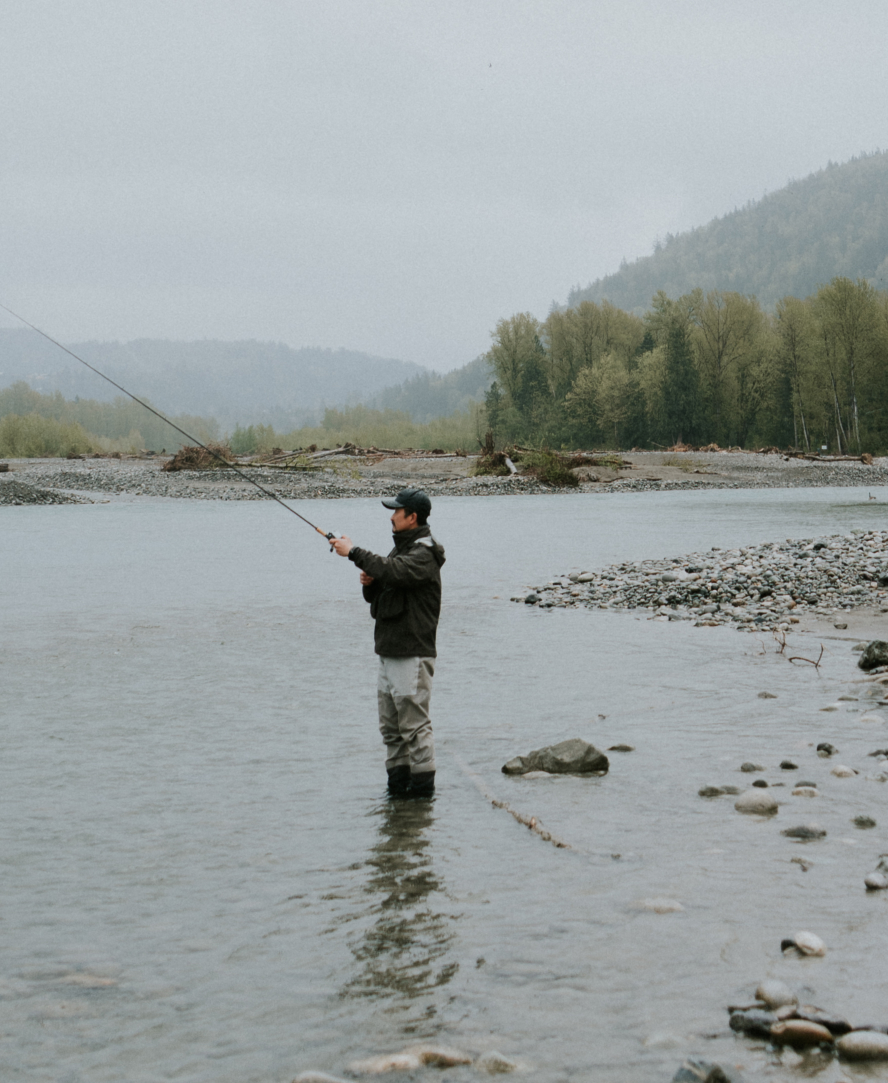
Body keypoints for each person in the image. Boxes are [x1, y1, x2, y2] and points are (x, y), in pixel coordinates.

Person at [331, 489, 445, 798]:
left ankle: (421, 800)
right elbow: (388, 582)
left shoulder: (424, 553)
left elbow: (396, 571)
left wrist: (353, 552)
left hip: (412, 653)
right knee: (392, 730)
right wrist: (371, 583)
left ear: (413, 517)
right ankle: (398, 798)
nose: (391, 516)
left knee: (415, 728)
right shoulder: (402, 550)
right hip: (389, 650)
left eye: (397, 511)